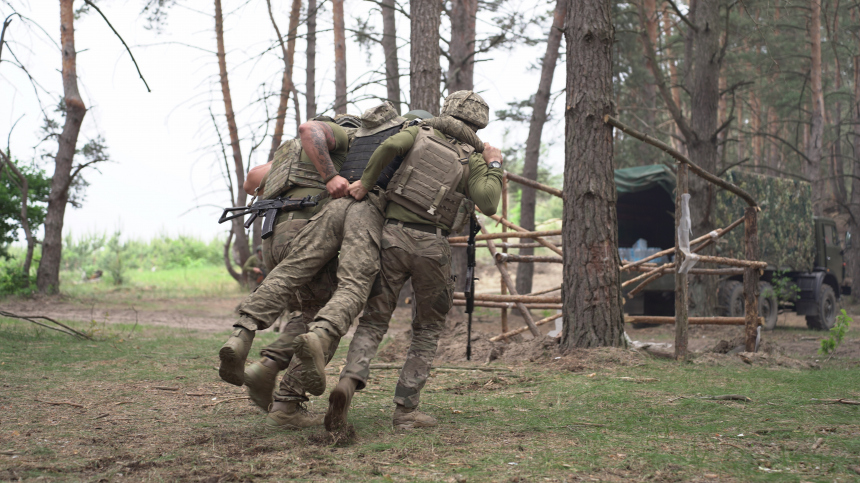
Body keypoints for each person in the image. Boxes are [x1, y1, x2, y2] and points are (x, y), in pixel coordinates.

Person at [320, 91, 504, 431]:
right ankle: (405, 412)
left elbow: (387, 148)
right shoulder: (473, 157)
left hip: (391, 237)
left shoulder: (419, 131)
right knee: (428, 328)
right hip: (432, 245)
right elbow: (489, 203)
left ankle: (349, 382)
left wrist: (367, 183)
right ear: (479, 124)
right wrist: (493, 163)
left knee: (374, 320)